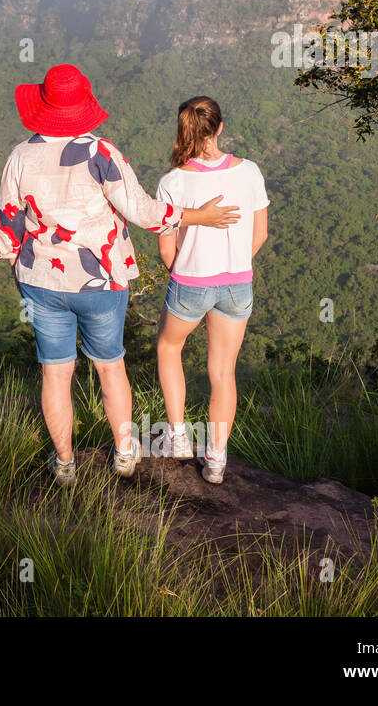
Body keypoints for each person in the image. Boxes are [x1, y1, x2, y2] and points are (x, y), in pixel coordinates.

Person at [0, 65, 240, 485]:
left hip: (41, 281)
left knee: (55, 373)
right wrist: (199, 216)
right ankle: (125, 452)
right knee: (110, 368)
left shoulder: (20, 157)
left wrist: (23, 275)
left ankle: (65, 462)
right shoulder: (102, 154)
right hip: (101, 281)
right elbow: (143, 212)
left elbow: (7, 229)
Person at [154, 96, 269, 484]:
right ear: (219, 127)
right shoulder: (249, 172)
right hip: (237, 283)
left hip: (190, 283)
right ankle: (216, 460)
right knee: (223, 371)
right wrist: (232, 265)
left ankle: (179, 436)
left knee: (169, 348)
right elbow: (261, 234)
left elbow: (166, 249)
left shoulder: (172, 182)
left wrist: (190, 271)